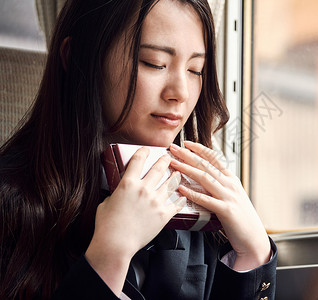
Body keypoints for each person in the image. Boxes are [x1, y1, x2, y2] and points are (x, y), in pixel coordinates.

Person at [0, 0, 277, 299]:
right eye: (154, 63)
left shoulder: (200, 207)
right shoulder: (12, 205)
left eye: (196, 69)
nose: (180, 93)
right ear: (77, 56)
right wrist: (109, 256)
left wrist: (254, 255)